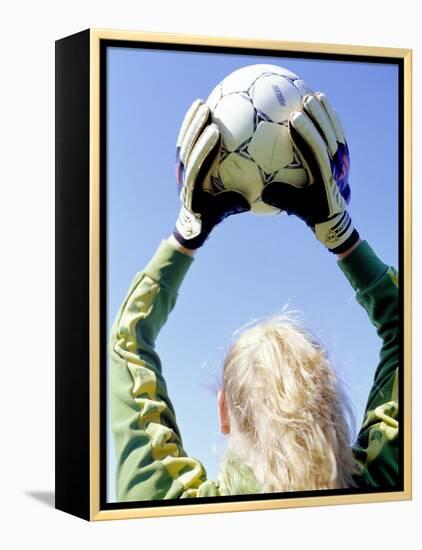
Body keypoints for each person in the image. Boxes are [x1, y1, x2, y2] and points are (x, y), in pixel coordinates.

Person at [109, 93, 399, 501]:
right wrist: (340, 233)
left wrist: (186, 233)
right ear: (331, 404)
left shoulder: (167, 504)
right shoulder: (384, 487)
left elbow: (127, 342)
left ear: (224, 411)